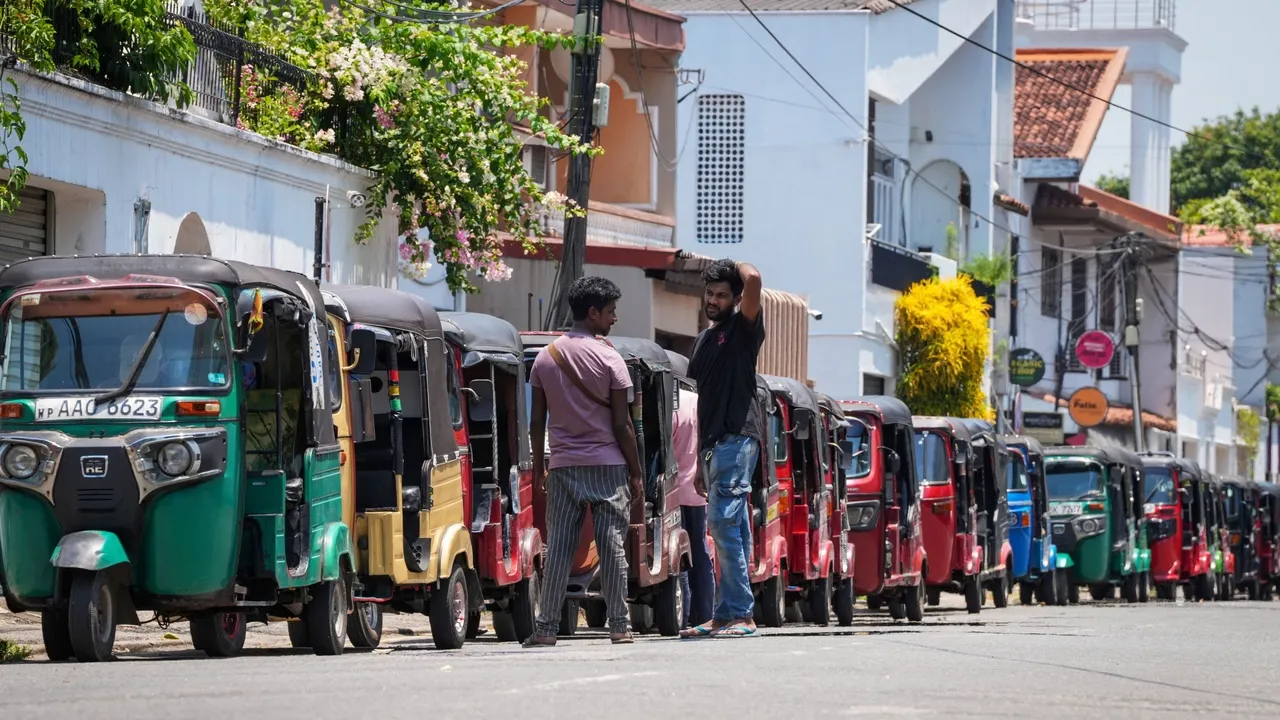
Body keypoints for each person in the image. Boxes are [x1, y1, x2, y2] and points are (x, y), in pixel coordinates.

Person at [523, 277, 644, 647]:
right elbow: (623, 424)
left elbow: (536, 422)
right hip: (608, 466)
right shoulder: (611, 358)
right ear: (592, 313)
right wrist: (636, 473)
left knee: (558, 546)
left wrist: (541, 467)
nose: (614, 319)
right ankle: (619, 626)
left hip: (563, 466)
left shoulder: (546, 357)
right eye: (610, 312)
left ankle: (545, 630)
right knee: (611, 545)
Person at [681, 258, 763, 638]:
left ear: (735, 299)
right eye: (710, 293)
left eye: (722, 295)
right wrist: (699, 459)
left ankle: (742, 615)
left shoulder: (743, 329)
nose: (713, 300)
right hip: (715, 445)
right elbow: (704, 401)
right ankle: (727, 612)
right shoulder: (704, 339)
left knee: (722, 524)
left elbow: (755, 279)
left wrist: (735, 265)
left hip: (738, 436)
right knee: (734, 529)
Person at [672, 385, 715, 630]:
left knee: (680, 556)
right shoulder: (703, 403)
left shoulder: (674, 403)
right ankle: (706, 615)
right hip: (699, 493)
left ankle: (684, 615)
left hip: (674, 492)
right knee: (700, 553)